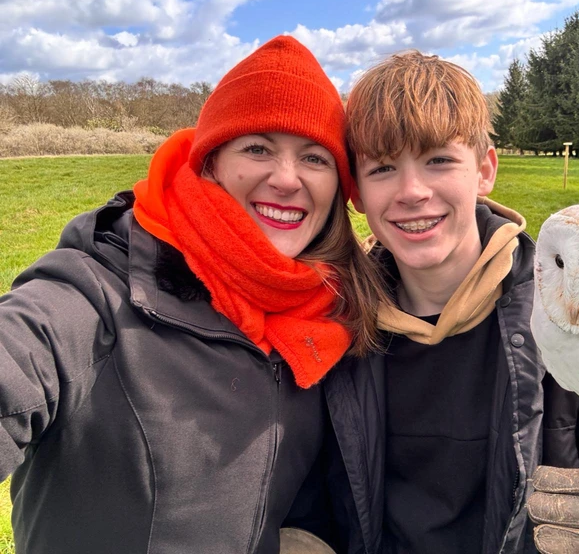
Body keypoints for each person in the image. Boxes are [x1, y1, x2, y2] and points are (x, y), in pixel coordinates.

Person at [0, 35, 385, 554]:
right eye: (257, 148)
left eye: (314, 157)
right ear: (209, 164)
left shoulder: (331, 315)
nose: (287, 178)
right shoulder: (96, 296)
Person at [322, 51, 579, 553]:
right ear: (356, 192)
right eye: (383, 168)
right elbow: (312, 496)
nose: (412, 191)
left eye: (439, 160)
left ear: (485, 170)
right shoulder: (334, 323)